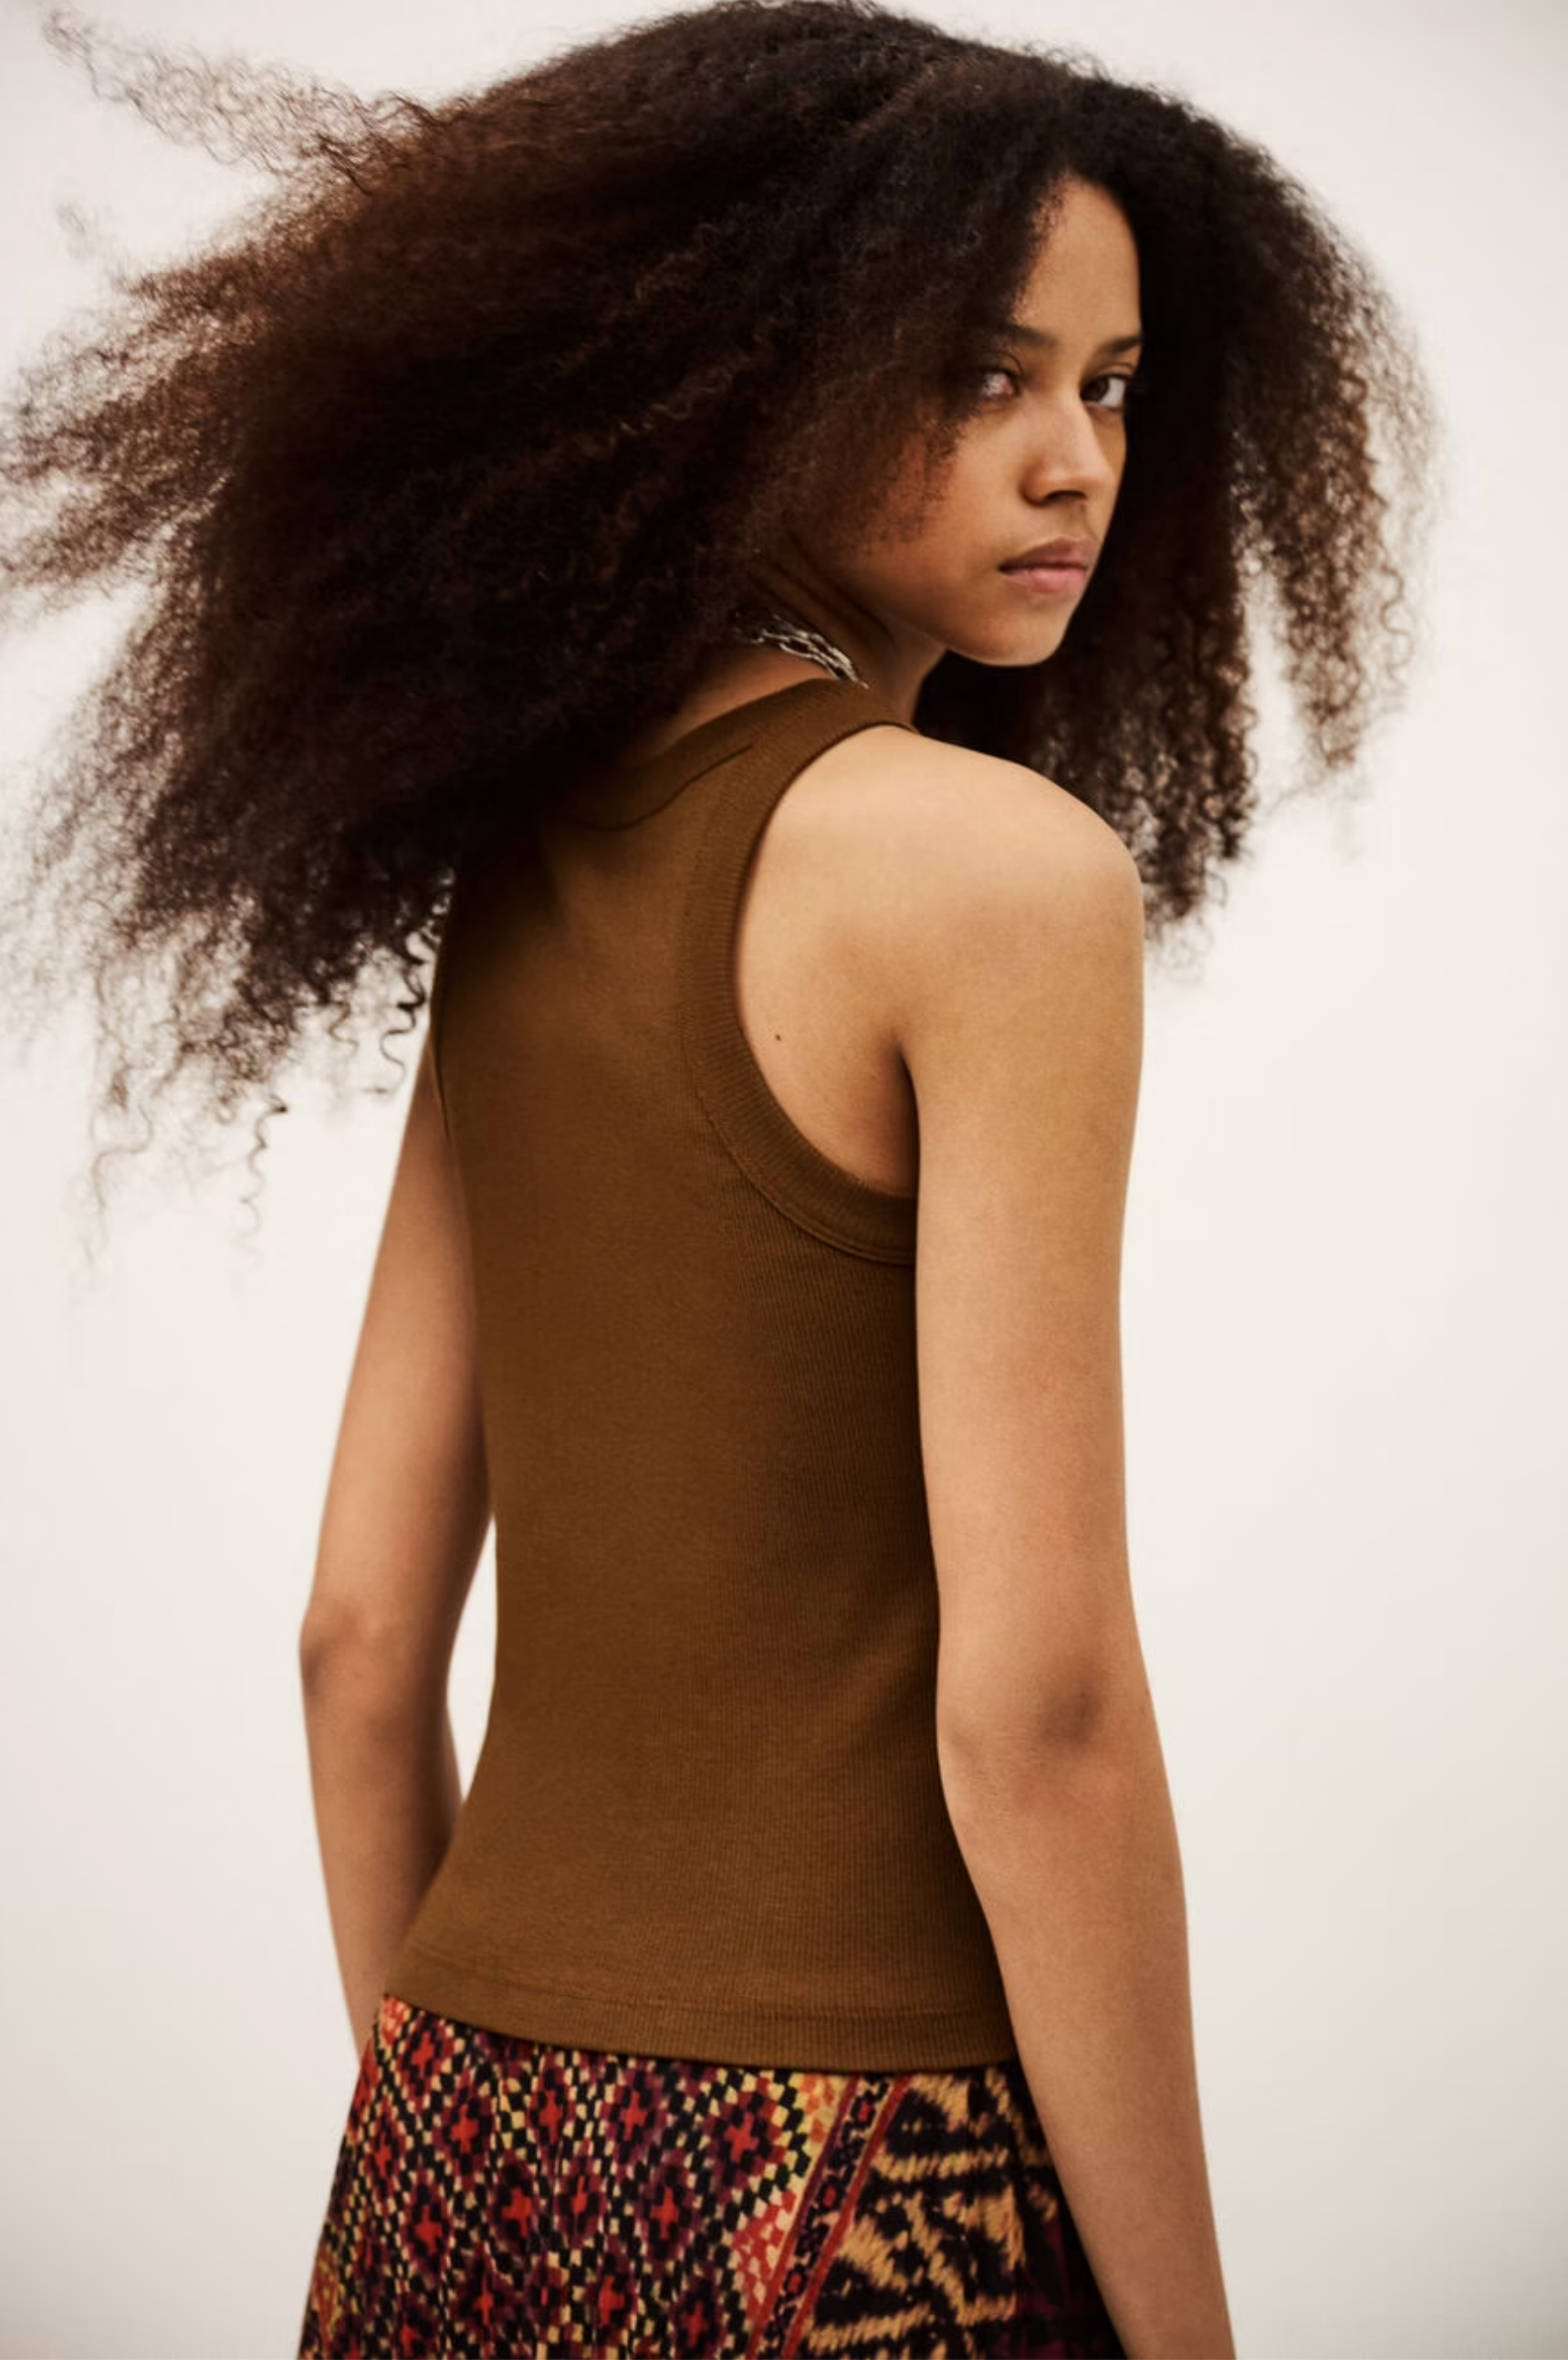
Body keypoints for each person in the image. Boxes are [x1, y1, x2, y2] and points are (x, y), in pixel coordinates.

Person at [0, 2, 1438, 2352]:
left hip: (466, 2143)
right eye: (981, 375)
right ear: (753, 371)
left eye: (1111, 384)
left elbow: (359, 1643)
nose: (1073, 461)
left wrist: (470, 2151)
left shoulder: (527, 858)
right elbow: (1038, 1711)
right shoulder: (993, 880)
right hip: (880, 2174)